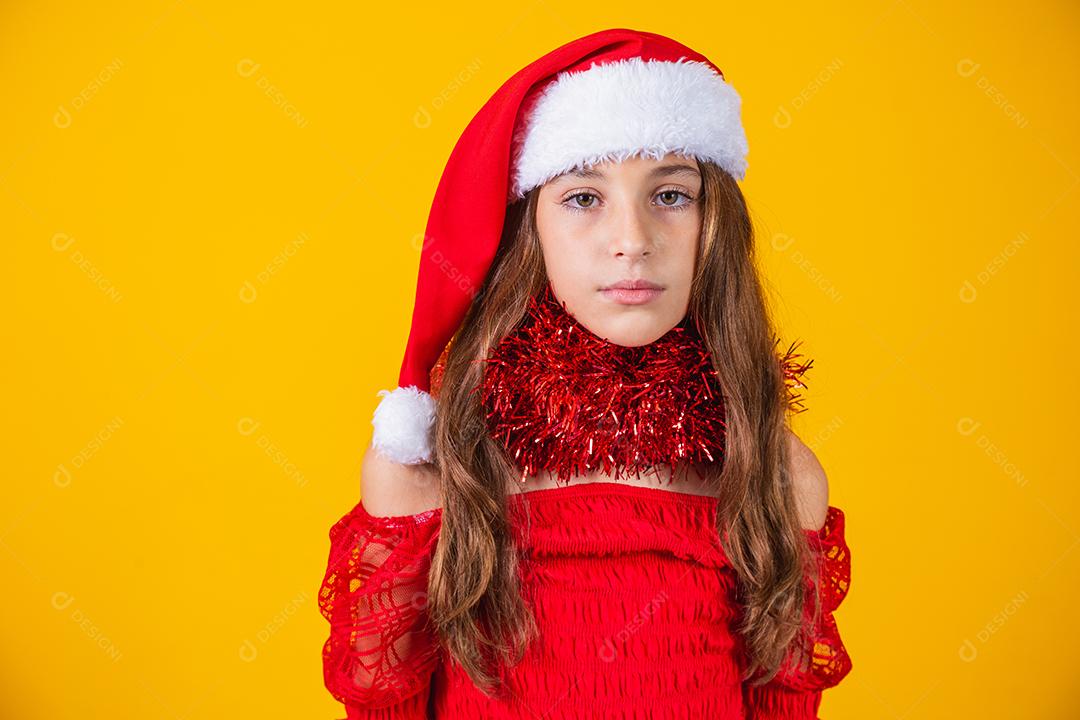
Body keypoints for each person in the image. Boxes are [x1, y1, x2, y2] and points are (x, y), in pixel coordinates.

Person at [318, 27, 853, 720]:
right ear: (526, 229)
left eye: (670, 196)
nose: (632, 239)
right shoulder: (433, 468)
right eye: (583, 198)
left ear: (714, 222)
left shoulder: (773, 474)